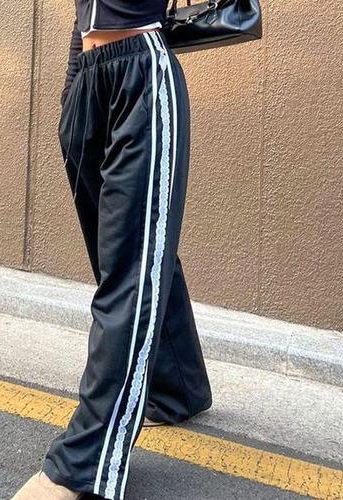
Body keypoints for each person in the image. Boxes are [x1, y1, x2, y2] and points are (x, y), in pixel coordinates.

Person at [12, 1, 212, 498]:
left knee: (131, 272)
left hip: (142, 72)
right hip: (88, 71)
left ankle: (81, 464)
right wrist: (74, 79)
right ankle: (177, 387)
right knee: (128, 251)